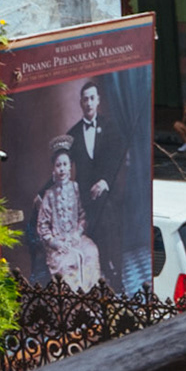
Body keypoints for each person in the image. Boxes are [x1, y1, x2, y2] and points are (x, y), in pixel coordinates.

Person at [65, 79, 126, 288]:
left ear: (98, 100)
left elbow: (117, 158)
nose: (89, 103)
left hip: (108, 194)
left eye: (92, 98)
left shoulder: (110, 127)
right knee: (93, 237)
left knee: (111, 232)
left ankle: (117, 277)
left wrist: (104, 182)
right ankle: (100, 278)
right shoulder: (73, 134)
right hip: (85, 197)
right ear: (81, 103)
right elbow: (61, 166)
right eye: (85, 99)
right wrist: (42, 192)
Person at [34, 141, 102, 291]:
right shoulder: (49, 195)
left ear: (70, 166)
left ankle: (89, 297)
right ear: (53, 169)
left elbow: (82, 216)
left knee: (91, 251)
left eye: (65, 164)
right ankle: (72, 301)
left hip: (75, 238)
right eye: (58, 165)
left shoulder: (75, 188)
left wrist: (77, 234)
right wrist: (56, 243)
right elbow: (42, 226)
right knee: (69, 261)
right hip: (58, 244)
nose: (62, 169)